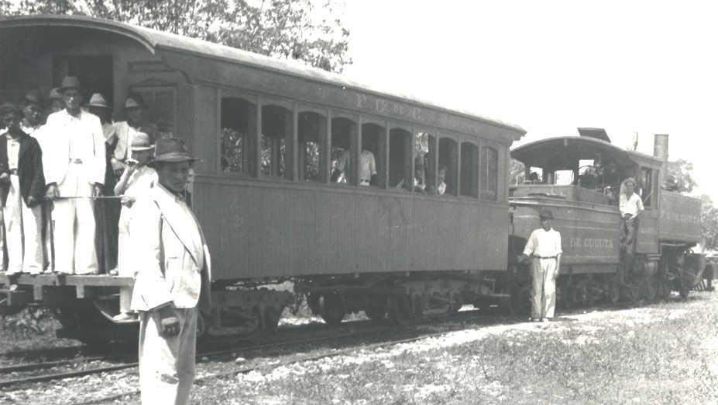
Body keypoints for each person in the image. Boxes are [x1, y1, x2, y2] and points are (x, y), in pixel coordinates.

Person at [130, 137, 210, 405]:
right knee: (162, 376)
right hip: (166, 306)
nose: (180, 175)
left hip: (187, 300)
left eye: (184, 169)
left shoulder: (180, 203)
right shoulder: (149, 202)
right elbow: (146, 259)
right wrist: (163, 308)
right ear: (158, 170)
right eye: (173, 169)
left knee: (184, 372)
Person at [43, 76, 106, 274]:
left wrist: (98, 181)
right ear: (62, 97)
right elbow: (48, 152)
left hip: (86, 173)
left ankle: (86, 267)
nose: (71, 99)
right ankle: (63, 266)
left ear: (81, 97)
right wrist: (51, 182)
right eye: (68, 95)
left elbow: (100, 153)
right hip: (64, 174)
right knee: (63, 220)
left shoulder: (93, 120)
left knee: (87, 220)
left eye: (75, 95)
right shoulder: (53, 120)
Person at [112, 132, 157, 321]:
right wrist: (127, 172)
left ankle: (141, 308)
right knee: (125, 262)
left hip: (143, 219)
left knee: (140, 263)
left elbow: (154, 197)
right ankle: (125, 309)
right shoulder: (130, 172)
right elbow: (116, 191)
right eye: (135, 152)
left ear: (148, 154)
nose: (137, 157)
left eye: (141, 153)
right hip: (126, 219)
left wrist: (135, 199)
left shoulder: (153, 174)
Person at [0, 103, 46, 274]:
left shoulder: (31, 142)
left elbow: (38, 169)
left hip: (26, 183)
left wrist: (35, 192)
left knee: (32, 223)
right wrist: (2, 173)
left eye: (14, 119)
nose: (10, 123)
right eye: (7, 120)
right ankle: (15, 265)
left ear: (20, 120)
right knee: (12, 223)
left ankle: (33, 265)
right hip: (8, 185)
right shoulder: (0, 141)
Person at [87, 93, 120, 272]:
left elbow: (104, 150)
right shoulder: (87, 127)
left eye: (100, 111)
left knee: (106, 218)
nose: (97, 114)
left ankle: (108, 261)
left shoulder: (110, 129)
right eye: (94, 110)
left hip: (105, 174)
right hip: (89, 172)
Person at [520, 209, 562, 322]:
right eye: (543, 220)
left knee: (549, 289)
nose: (546, 222)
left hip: (551, 261)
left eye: (548, 220)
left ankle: (547, 315)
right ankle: (536, 315)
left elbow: (559, 253)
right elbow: (529, 248)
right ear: (541, 221)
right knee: (537, 289)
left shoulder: (556, 234)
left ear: (551, 221)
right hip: (537, 261)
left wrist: (557, 268)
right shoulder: (536, 233)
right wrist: (522, 257)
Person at [112, 95, 158, 176]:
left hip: (143, 169)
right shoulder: (118, 127)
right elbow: (105, 148)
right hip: (122, 169)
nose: (134, 113)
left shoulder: (150, 129)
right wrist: (114, 161)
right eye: (130, 110)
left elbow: (155, 150)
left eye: (136, 109)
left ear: (142, 110)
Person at [619, 177, 644, 253]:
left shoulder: (637, 197)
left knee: (630, 238)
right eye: (628, 185)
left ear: (633, 187)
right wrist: (623, 215)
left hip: (631, 219)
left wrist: (633, 216)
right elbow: (621, 206)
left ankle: (628, 252)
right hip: (623, 218)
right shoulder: (622, 196)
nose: (629, 187)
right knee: (621, 234)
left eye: (631, 185)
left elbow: (641, 208)